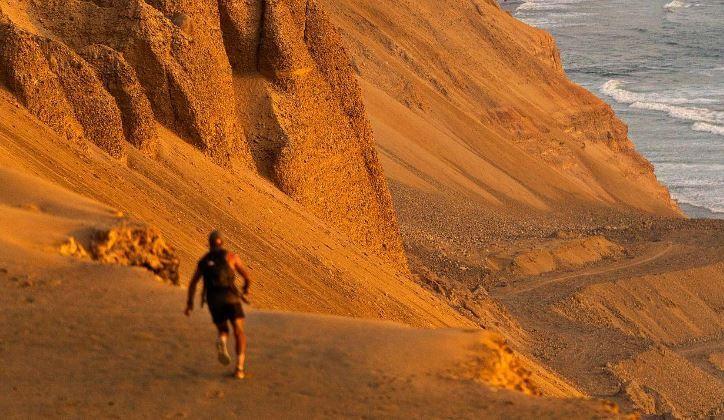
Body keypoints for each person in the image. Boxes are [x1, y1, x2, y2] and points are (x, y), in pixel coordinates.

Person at [185, 230, 252, 379]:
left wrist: (190, 303)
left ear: (209, 244)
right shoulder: (231, 257)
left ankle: (222, 340)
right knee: (239, 331)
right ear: (222, 242)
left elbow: (193, 284)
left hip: (214, 300)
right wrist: (245, 288)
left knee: (223, 329)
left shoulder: (203, 261)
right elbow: (247, 276)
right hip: (231, 298)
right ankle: (239, 369)